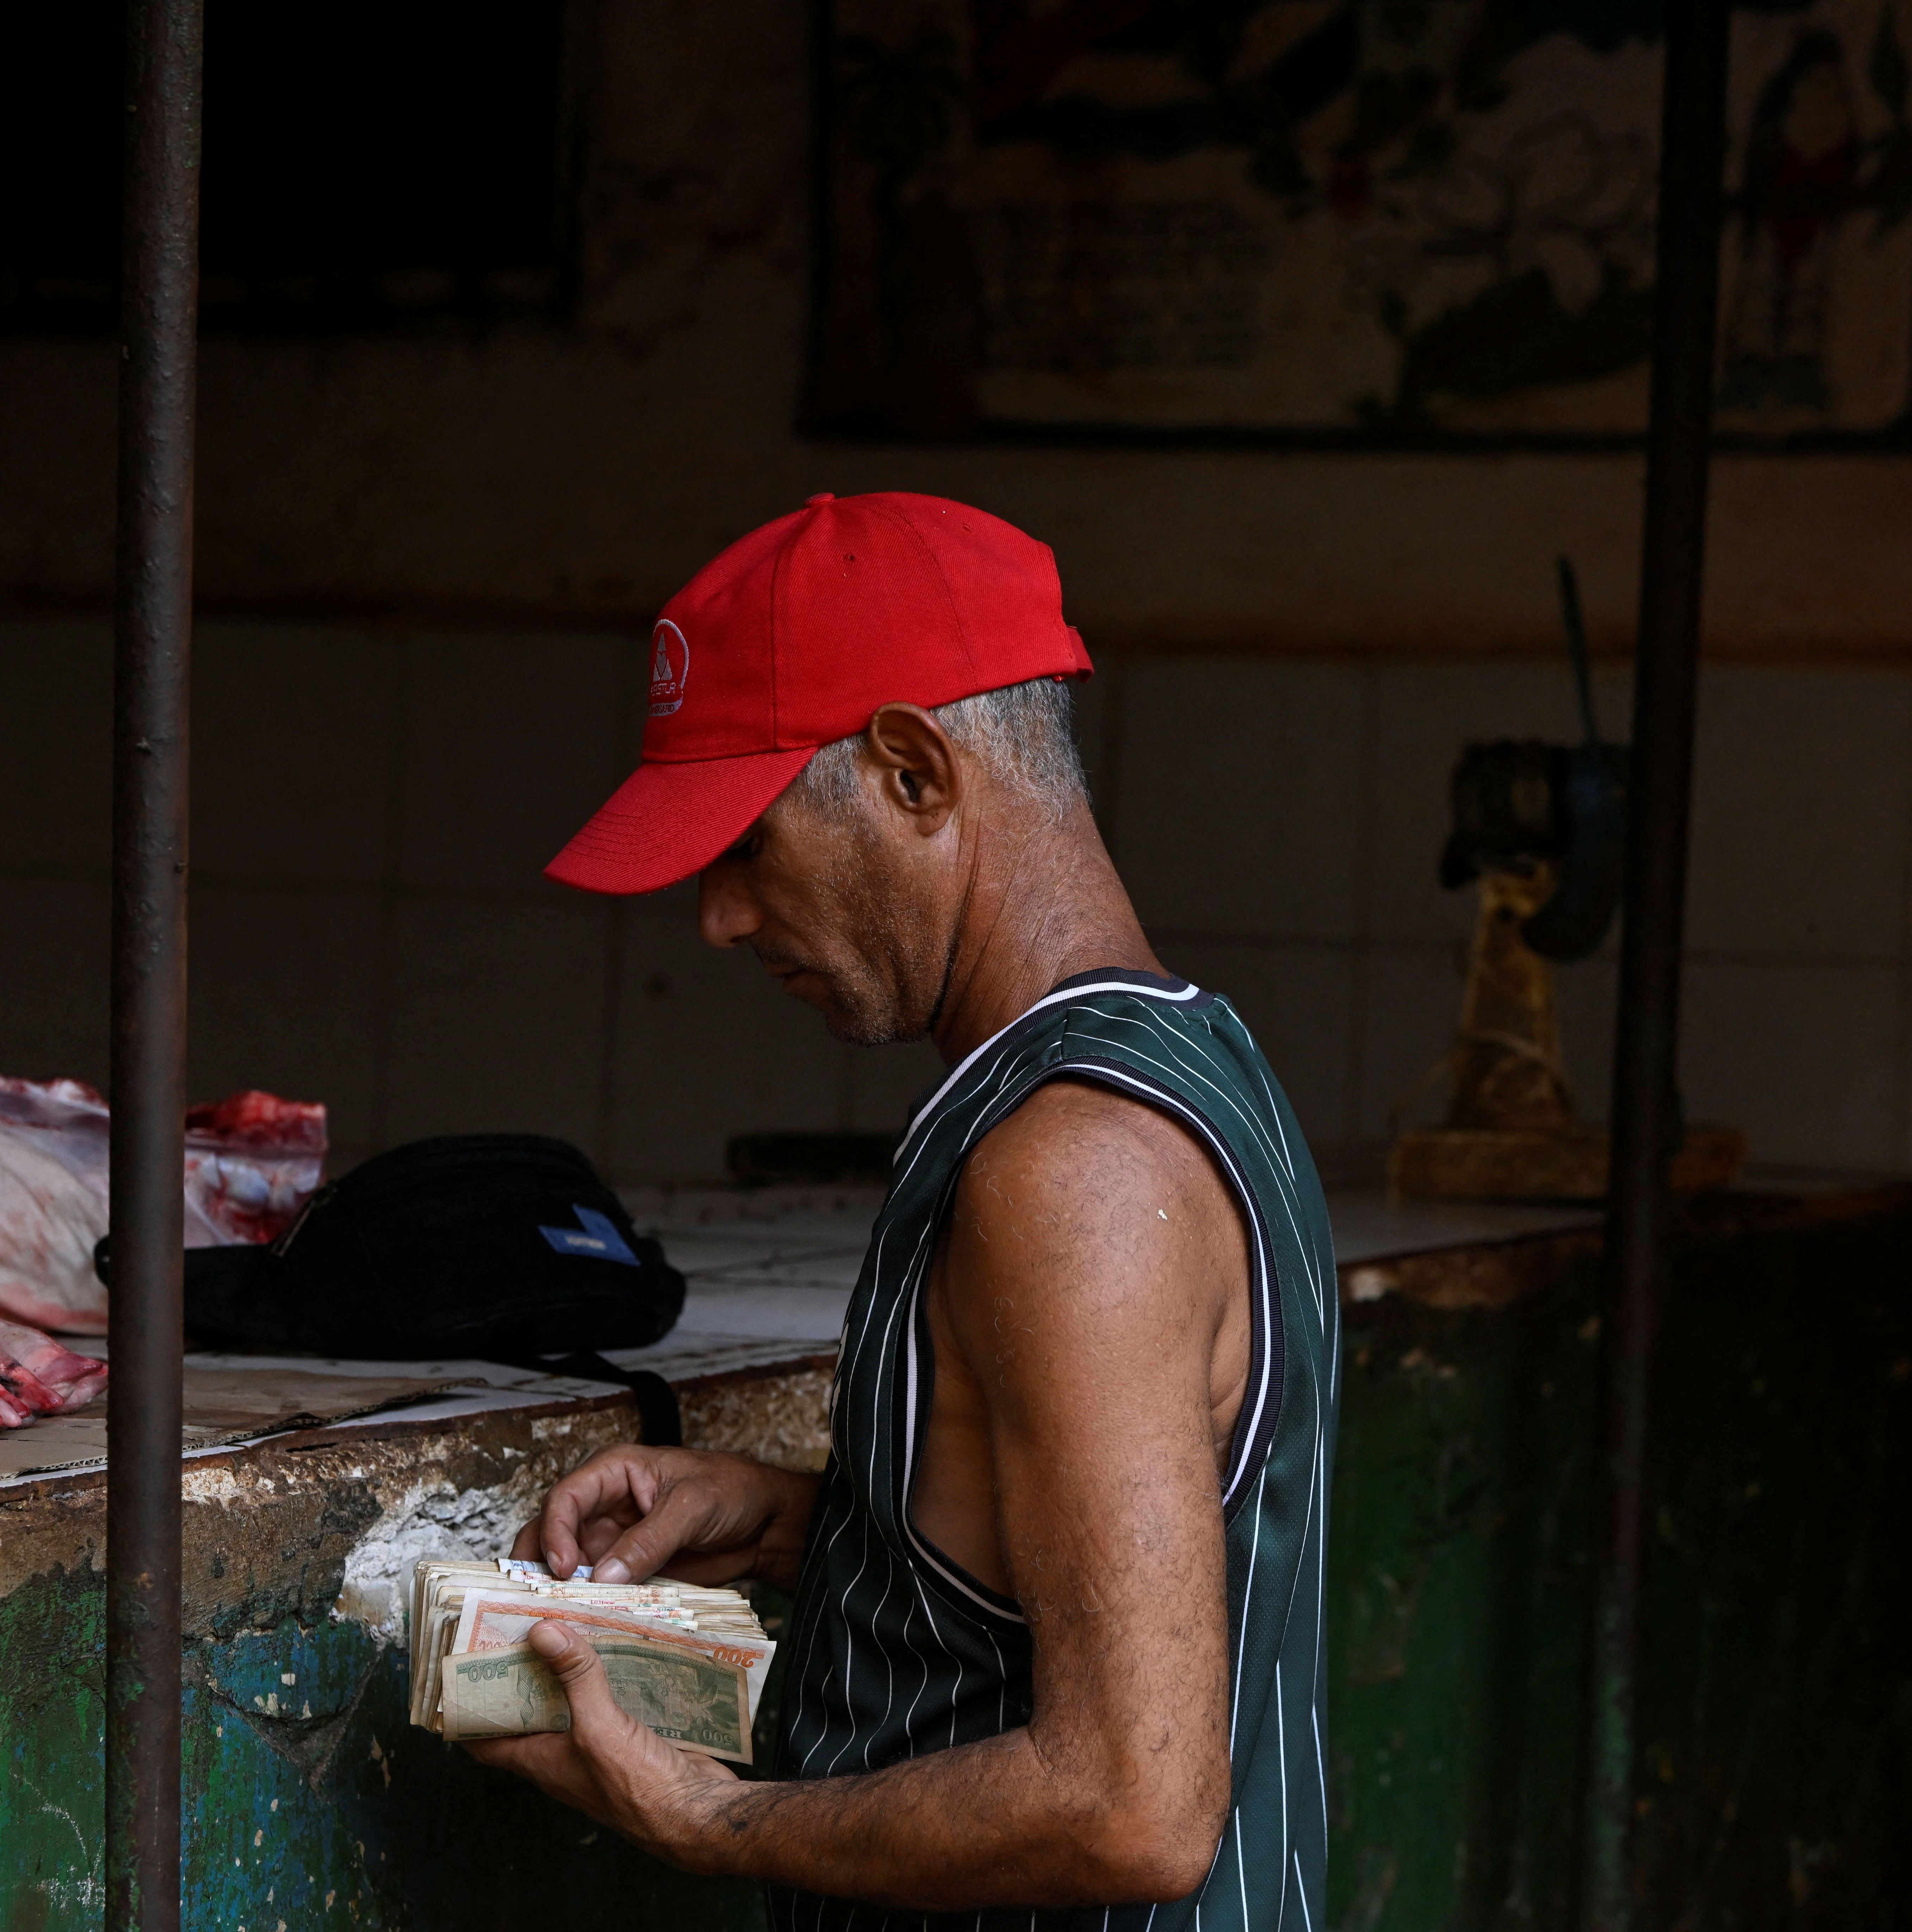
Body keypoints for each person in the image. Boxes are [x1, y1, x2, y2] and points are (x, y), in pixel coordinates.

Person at [474, 491, 1334, 1929]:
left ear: (914, 773)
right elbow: (1108, 1578)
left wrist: (709, 1816)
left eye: (747, 843)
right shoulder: (1184, 1063)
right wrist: (809, 1528)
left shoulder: (1075, 1167)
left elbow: (1132, 1805)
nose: (718, 918)